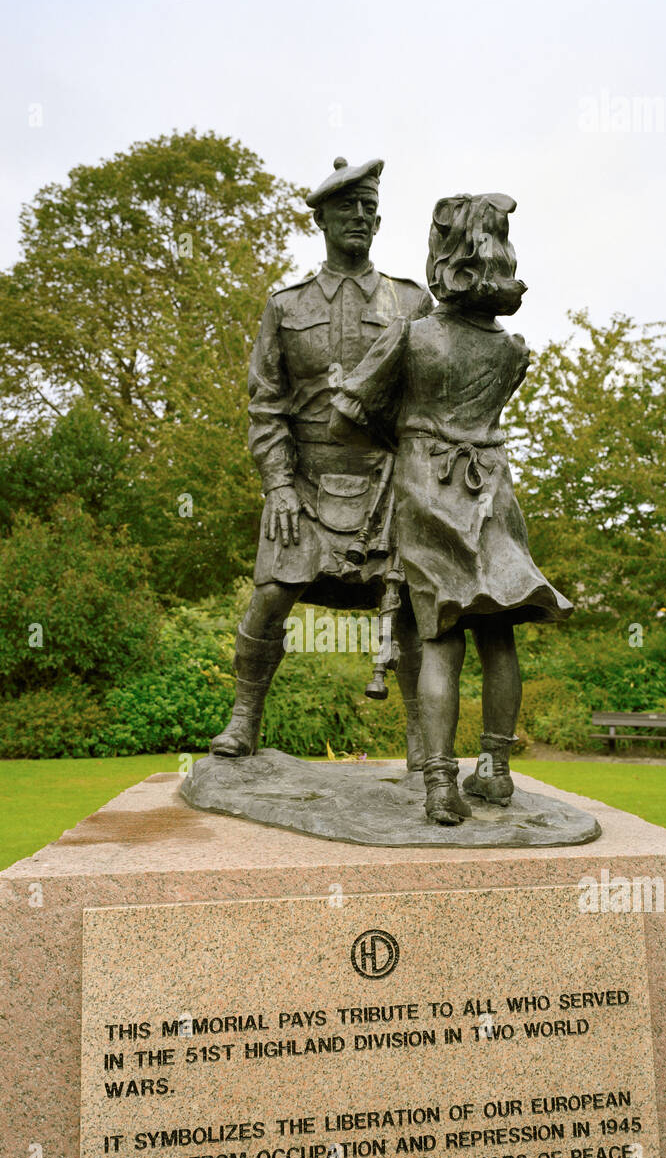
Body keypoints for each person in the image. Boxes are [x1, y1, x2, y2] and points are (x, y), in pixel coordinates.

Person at [330, 193, 573, 824]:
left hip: (428, 491)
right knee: (498, 634)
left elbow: (349, 410)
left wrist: (405, 435)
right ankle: (495, 770)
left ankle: (441, 782)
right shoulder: (513, 350)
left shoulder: (411, 339)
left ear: (444, 258)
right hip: (494, 493)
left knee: (439, 639)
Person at [210, 157, 433, 765]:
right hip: (303, 486)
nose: (359, 217)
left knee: (412, 613)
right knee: (270, 599)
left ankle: (423, 746)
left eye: (368, 208)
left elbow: (430, 394)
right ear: (322, 220)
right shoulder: (284, 305)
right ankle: (244, 718)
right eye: (346, 208)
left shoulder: (412, 302)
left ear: (380, 220)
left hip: (388, 486)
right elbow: (266, 406)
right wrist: (278, 484)